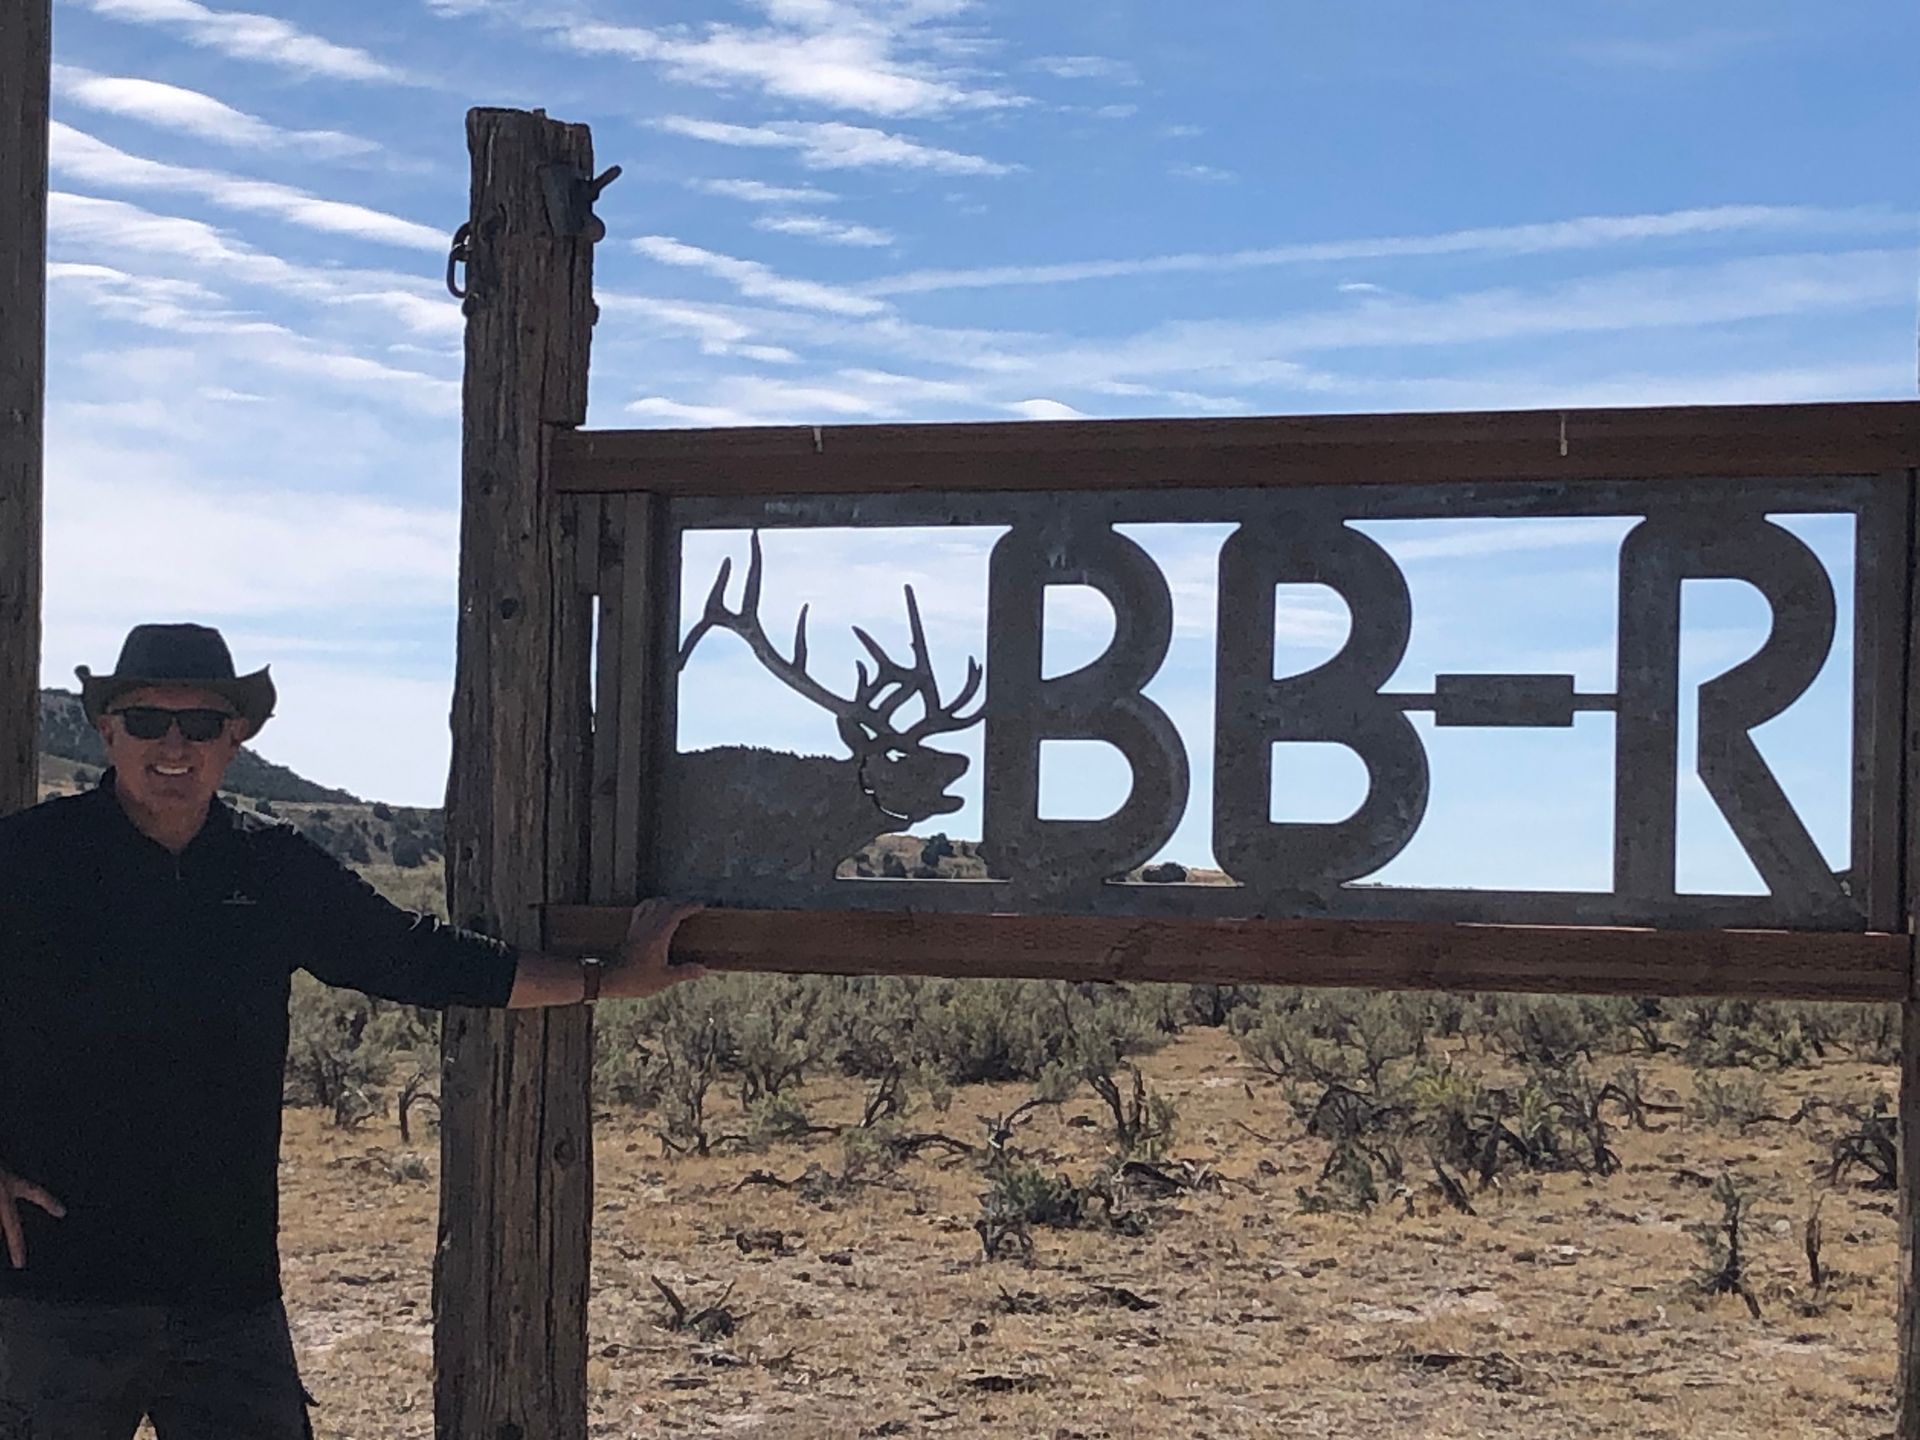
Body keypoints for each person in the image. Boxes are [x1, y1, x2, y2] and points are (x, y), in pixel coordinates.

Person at [0, 624, 701, 1439]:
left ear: (238, 735)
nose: (174, 746)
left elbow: (415, 957)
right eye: (149, 721)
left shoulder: (271, 866)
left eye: (200, 724)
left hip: (228, 1288)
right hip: (58, 1287)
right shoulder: (29, 859)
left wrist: (607, 980)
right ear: (107, 729)